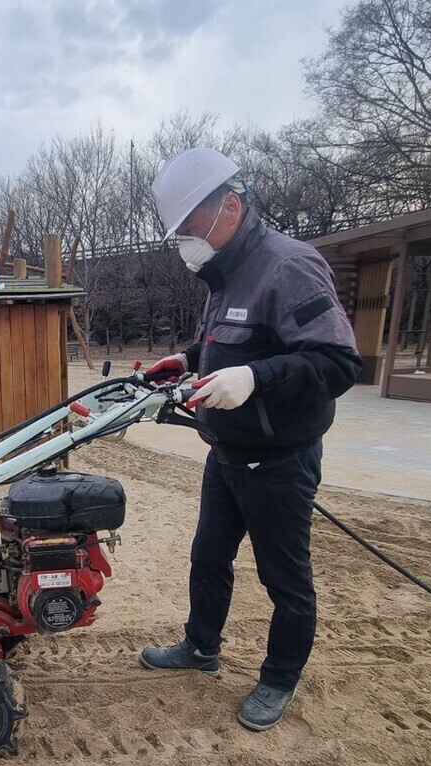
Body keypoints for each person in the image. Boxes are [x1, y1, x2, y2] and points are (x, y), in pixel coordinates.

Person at [140, 147, 362, 731]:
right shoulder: (224, 273)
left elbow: (337, 364)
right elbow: (226, 345)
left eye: (190, 228)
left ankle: (279, 677)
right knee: (208, 557)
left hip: (280, 461)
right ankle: (200, 647)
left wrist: (255, 378)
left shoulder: (290, 266)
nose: (186, 242)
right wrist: (185, 359)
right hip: (228, 453)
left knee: (284, 578)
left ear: (229, 207)